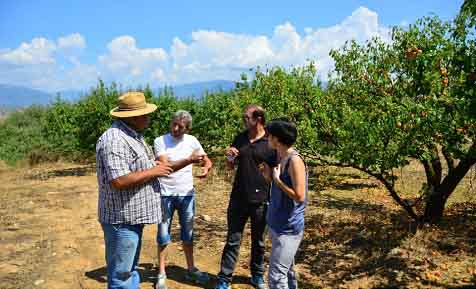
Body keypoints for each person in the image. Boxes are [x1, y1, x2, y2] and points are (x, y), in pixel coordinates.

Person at [96, 91, 173, 289]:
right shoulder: (114, 139)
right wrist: (154, 171)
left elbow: (135, 168)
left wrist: (154, 166)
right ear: (133, 117)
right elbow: (119, 180)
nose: (148, 118)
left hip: (131, 218)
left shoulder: (132, 136)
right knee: (122, 275)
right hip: (121, 220)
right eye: (145, 114)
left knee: (129, 270)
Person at [215, 105, 276, 289]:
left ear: (258, 119)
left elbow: (277, 170)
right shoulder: (240, 138)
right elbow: (229, 167)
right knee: (233, 240)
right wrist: (230, 158)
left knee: (259, 241)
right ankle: (224, 278)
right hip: (238, 198)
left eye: (246, 117)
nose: (243, 119)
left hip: (262, 199)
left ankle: (257, 275)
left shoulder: (270, 141)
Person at [154, 110, 213, 289]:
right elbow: (166, 166)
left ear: (187, 128)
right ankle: (161, 273)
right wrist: (189, 160)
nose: (176, 128)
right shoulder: (160, 141)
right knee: (163, 235)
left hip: (186, 194)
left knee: (188, 234)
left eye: (181, 126)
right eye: (174, 124)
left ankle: (191, 268)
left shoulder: (192, 141)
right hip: (166, 194)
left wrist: (206, 167)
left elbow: (206, 160)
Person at [259, 119, 307, 289]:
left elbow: (300, 196)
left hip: (288, 228)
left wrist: (278, 182)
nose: (267, 138)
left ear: (277, 139)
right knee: (288, 272)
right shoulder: (280, 156)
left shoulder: (294, 160)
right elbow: (278, 188)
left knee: (276, 277)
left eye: (270, 135)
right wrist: (269, 177)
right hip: (277, 223)